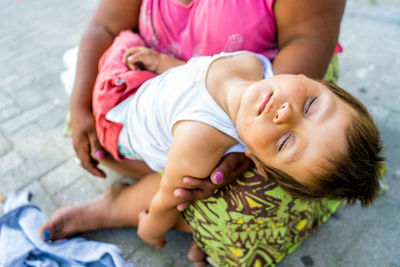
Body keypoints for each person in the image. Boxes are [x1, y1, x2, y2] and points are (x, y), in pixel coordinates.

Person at [42, 30, 384, 262]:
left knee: (184, 183)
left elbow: (166, 196)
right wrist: (151, 228)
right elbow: (195, 72)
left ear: (258, 164)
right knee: (183, 185)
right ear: (313, 81)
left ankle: (115, 204)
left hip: (155, 110)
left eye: (285, 141)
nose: (285, 113)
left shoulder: (212, 123)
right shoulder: (248, 77)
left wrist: (151, 225)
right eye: (310, 105)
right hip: (117, 113)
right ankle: (115, 204)